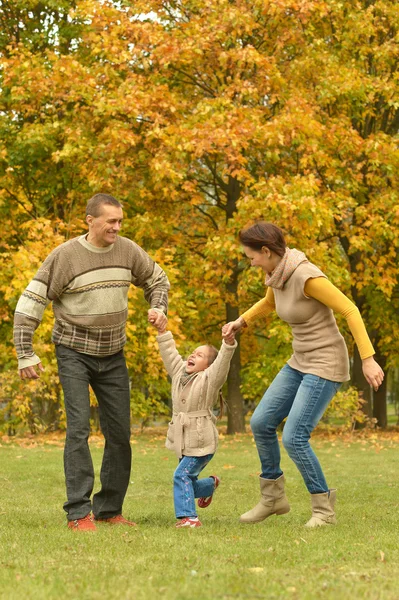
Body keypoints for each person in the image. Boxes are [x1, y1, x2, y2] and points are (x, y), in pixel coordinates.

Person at [13, 193, 170, 531]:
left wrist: (158, 307)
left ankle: (109, 510)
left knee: (119, 433)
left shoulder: (128, 250)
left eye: (120, 221)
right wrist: (25, 353)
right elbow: (30, 303)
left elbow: (158, 279)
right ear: (90, 220)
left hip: (113, 353)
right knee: (79, 429)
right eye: (110, 221)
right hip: (73, 351)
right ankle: (78, 513)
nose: (116, 227)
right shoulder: (65, 257)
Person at [222, 221, 384, 528]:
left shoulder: (306, 276)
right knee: (261, 422)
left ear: (267, 251)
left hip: (325, 363)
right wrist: (240, 322)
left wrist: (368, 359)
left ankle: (323, 509)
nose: (250, 261)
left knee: (295, 437)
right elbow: (270, 302)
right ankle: (273, 499)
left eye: (251, 256)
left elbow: (350, 310)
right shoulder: (275, 274)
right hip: (300, 360)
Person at [152, 318, 237, 528]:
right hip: (183, 440)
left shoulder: (210, 379)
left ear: (208, 366)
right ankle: (209, 485)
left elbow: (222, 363)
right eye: (193, 352)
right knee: (187, 480)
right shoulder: (179, 372)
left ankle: (189, 518)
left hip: (201, 441)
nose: (192, 355)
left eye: (200, 355)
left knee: (181, 475)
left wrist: (228, 343)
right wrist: (163, 331)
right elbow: (170, 354)